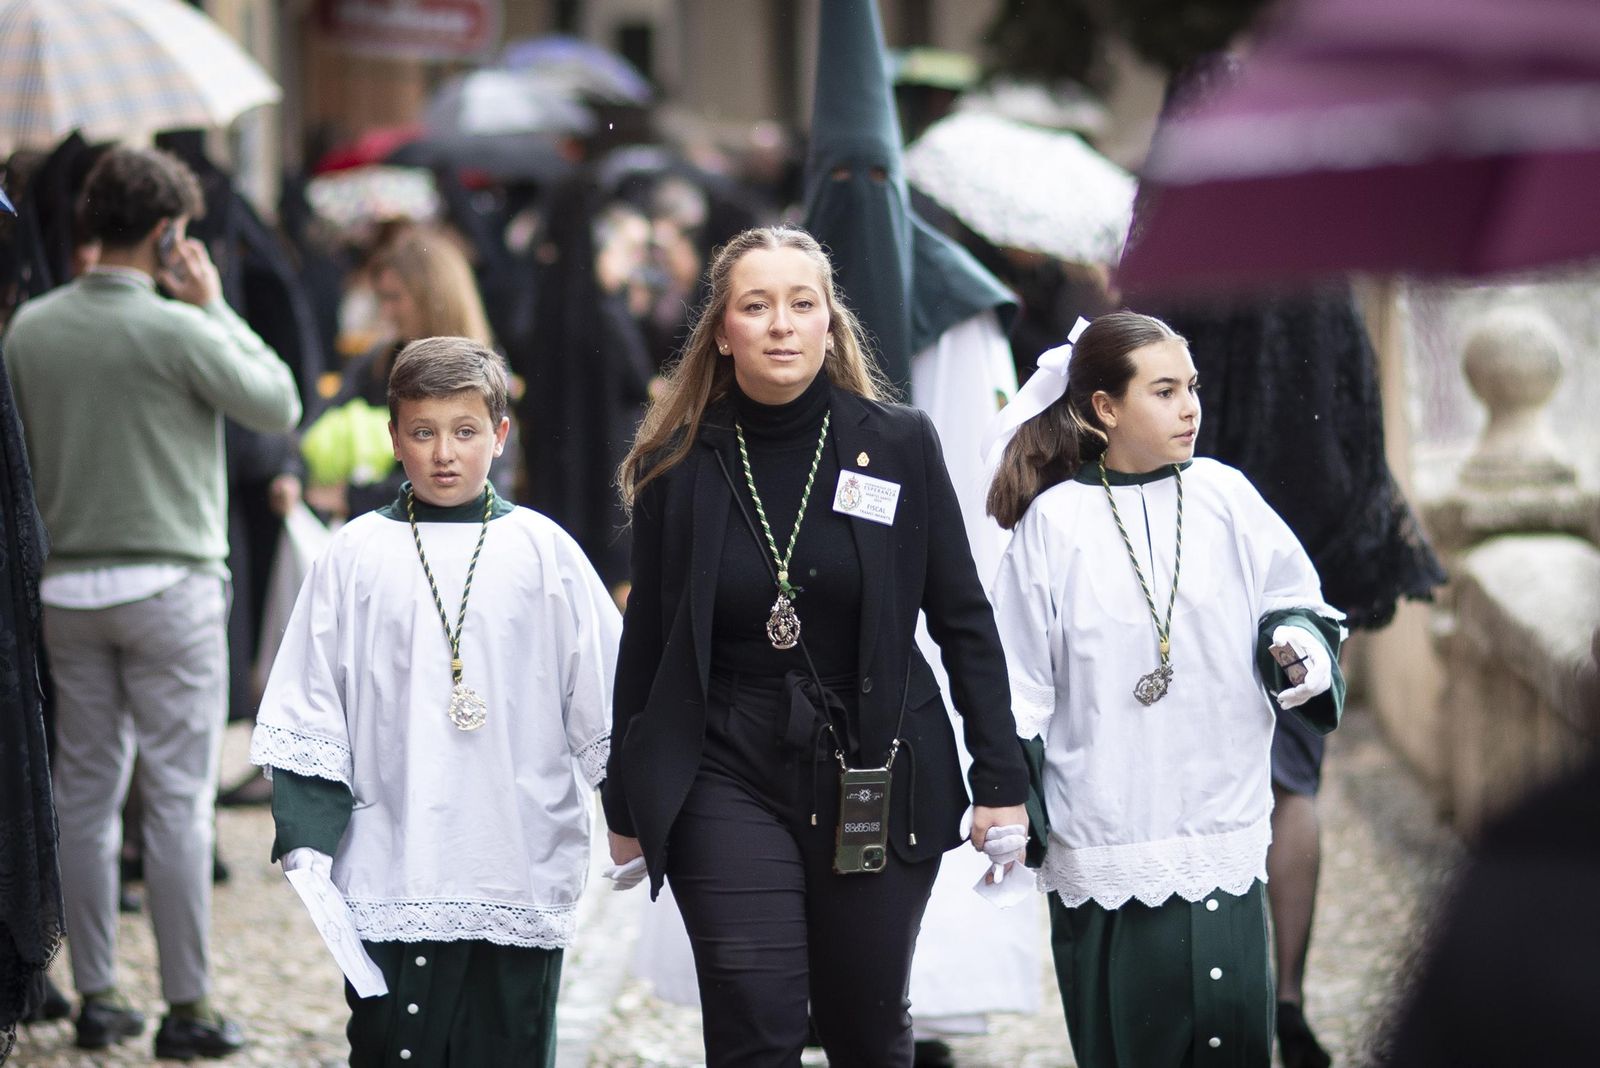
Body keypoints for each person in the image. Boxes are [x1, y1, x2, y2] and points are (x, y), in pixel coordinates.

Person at [602, 224, 1030, 1067]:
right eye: (756, 306)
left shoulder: (898, 443)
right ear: (722, 333)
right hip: (723, 762)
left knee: (865, 1031)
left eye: (803, 304)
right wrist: (626, 803)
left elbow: (963, 617)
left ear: (831, 324)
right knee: (754, 1021)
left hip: (873, 761)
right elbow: (647, 641)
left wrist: (1002, 781)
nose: (782, 324)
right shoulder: (677, 461)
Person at [985, 311, 1346, 1068]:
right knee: (1134, 1040)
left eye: (1192, 388)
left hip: (1221, 814)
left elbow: (1295, 595)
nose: (1191, 408)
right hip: (1113, 819)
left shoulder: (1226, 495)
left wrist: (1298, 643)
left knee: (1234, 1033)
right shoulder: (1054, 524)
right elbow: (1016, 683)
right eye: (1165, 391)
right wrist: (1009, 796)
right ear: (1104, 408)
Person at [2, 145, 302, 1058]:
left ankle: (96, 993)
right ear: (171, 231)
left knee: (83, 797)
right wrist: (211, 303)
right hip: (171, 582)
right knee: (177, 800)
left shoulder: (30, 331)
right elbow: (277, 402)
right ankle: (189, 1005)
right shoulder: (180, 328)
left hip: (66, 585)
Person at [249, 336, 620, 1066]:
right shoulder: (354, 554)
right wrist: (308, 828)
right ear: (394, 437)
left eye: (465, 431)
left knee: (507, 1041)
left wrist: (633, 815)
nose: (444, 453)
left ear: (501, 435)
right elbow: (311, 702)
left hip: (513, 852)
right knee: (395, 1047)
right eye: (423, 432)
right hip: (395, 848)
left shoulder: (545, 553)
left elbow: (604, 695)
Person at [300, 224, 504, 521]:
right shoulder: (378, 362)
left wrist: (352, 496)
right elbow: (316, 422)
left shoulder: (482, 372)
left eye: (394, 297)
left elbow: (488, 473)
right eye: (382, 298)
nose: (386, 312)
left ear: (431, 296)